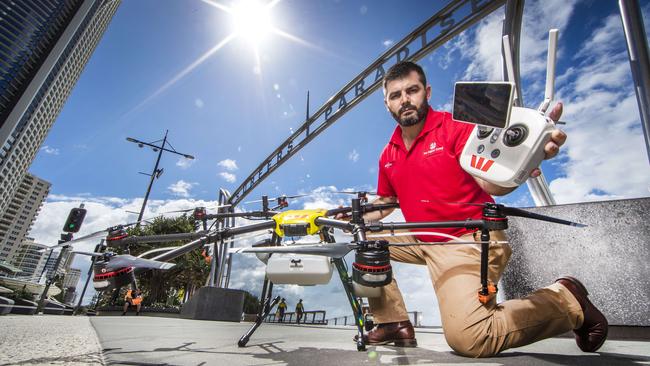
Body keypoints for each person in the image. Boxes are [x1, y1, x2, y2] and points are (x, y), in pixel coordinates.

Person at [354, 61, 607, 357]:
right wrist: (349, 215)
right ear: (387, 103)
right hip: (424, 238)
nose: (405, 99)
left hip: (469, 239)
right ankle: (393, 323)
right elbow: (385, 203)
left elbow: (491, 184)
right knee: (365, 239)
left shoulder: (456, 128)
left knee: (470, 338)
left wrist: (523, 162)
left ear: (427, 92)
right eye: (396, 95)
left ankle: (566, 300)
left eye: (412, 90)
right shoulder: (388, 153)